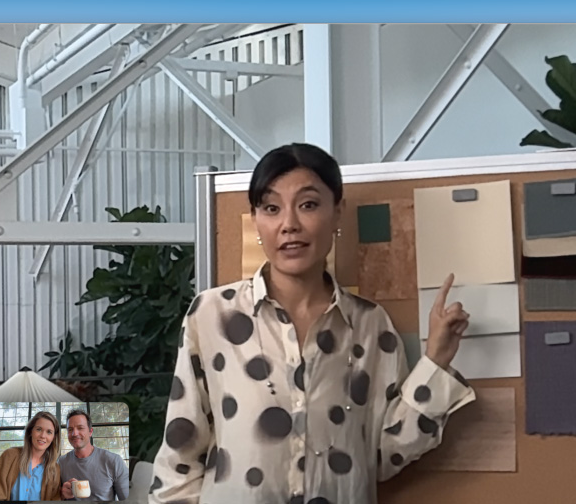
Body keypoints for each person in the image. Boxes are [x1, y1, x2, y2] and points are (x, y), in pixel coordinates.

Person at [150, 142, 476, 504]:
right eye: (271, 208)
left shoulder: (370, 326)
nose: (289, 224)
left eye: (308, 205)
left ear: (337, 213)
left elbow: (381, 456)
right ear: (256, 219)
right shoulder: (214, 315)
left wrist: (435, 362)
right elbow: (179, 457)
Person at [0, 410, 63, 501]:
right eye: (39, 429)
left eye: (49, 432)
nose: (43, 435)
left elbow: (54, 499)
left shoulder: (55, 469)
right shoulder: (9, 456)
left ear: (54, 437)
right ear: (30, 431)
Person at [59, 409, 130, 501]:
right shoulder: (61, 463)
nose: (74, 433)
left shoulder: (114, 461)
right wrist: (62, 495)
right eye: (70, 429)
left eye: (80, 428)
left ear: (90, 432)